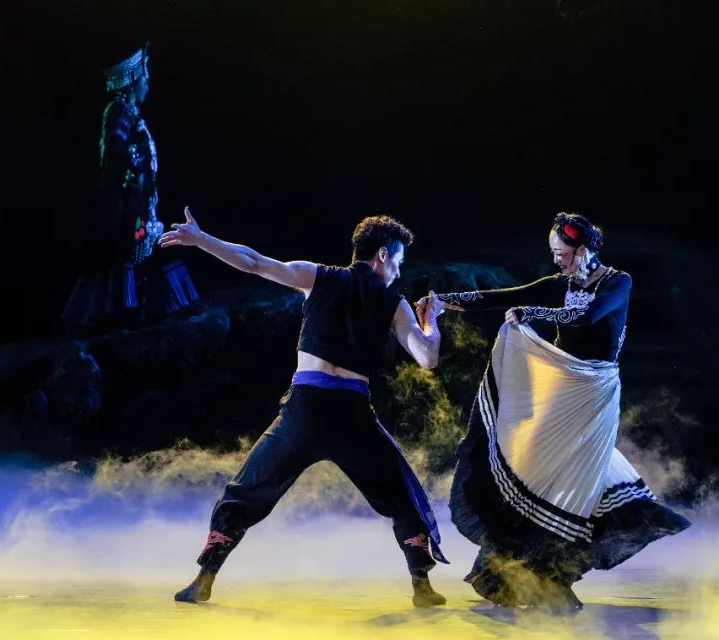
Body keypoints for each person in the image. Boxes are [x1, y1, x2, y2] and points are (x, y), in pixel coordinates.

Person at [158, 209, 450, 607]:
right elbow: (428, 357)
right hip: (351, 417)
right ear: (382, 254)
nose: (399, 272)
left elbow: (255, 262)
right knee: (402, 496)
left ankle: (203, 580)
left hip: (306, 411)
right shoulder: (393, 303)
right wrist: (431, 321)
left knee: (245, 492)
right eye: (398, 262)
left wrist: (202, 239)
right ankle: (422, 589)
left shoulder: (319, 276)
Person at [423, 212, 690, 610]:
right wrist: (442, 301)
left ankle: (552, 575)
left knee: (575, 484)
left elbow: (588, 316)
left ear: (582, 251)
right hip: (562, 391)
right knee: (539, 474)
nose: (556, 260)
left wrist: (535, 313)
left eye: (561, 253)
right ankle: (520, 572)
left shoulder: (618, 282)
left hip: (594, 393)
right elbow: (504, 296)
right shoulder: (561, 284)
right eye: (553, 253)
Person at [61, 42, 198, 331]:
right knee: (132, 251)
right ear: (134, 81)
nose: (148, 85)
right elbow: (115, 144)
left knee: (144, 250)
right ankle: (126, 311)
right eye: (145, 79)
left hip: (141, 198)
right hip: (127, 200)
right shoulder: (118, 110)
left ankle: (148, 306)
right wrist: (134, 168)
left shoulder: (130, 112)